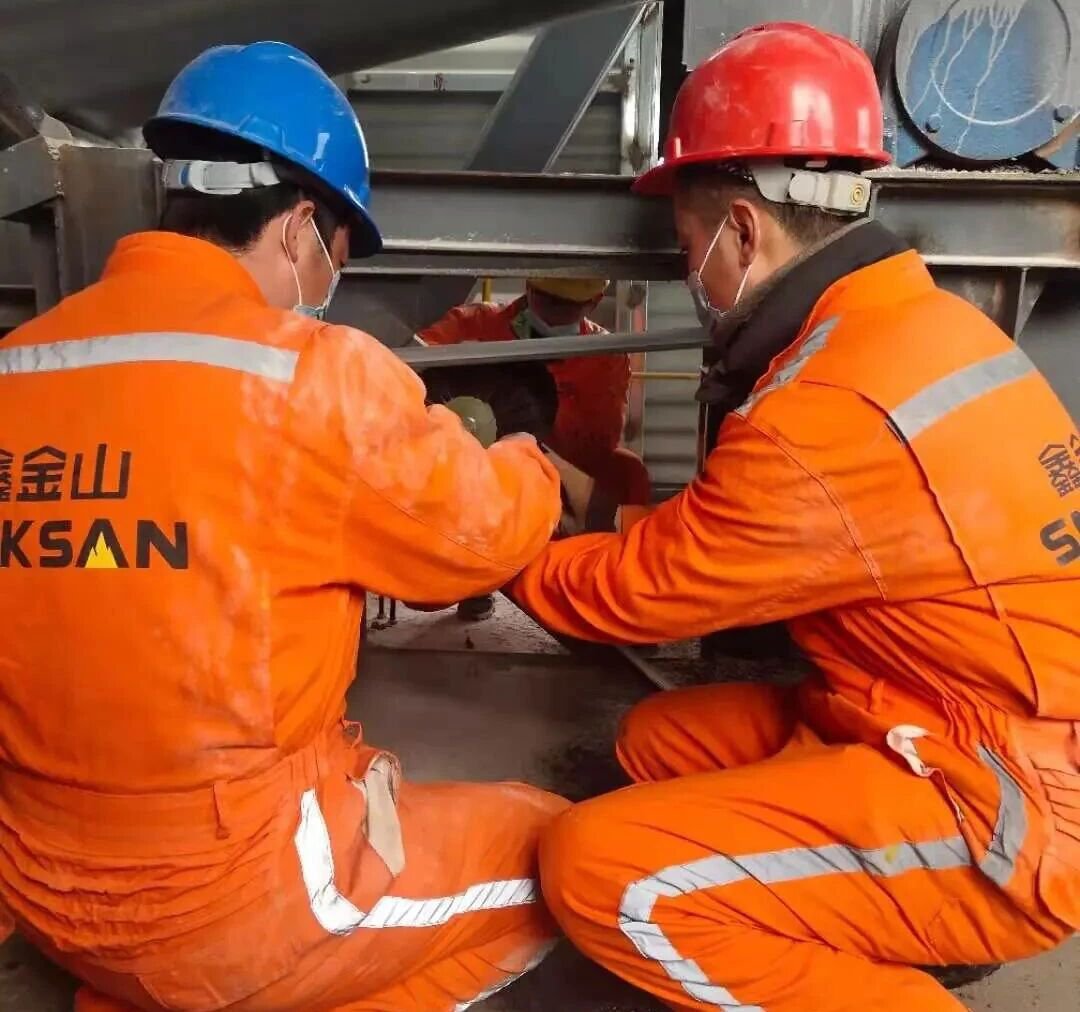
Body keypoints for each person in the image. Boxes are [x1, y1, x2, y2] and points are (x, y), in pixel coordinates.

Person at [512, 21, 1080, 1012]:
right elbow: (725, 536)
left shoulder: (824, 407)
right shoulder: (920, 326)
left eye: (686, 247)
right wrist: (597, 501)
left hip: (1008, 804)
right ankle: (845, 928)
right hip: (931, 708)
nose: (691, 273)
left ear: (740, 230)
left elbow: (636, 596)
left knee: (596, 869)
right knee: (654, 742)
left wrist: (493, 534)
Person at [0, 42, 567, 1012]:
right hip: (238, 901)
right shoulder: (310, 373)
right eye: (338, 252)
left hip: (45, 890)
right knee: (566, 856)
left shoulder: (18, 364)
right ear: (303, 225)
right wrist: (530, 460)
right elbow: (483, 537)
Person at [421, 277, 651, 620]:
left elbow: (601, 438)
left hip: (552, 462)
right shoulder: (473, 325)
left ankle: (619, 586)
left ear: (593, 302)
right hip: (466, 467)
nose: (554, 313)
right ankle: (475, 579)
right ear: (528, 288)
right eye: (546, 298)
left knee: (629, 473)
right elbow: (407, 364)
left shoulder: (605, 356)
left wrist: (535, 423)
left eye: (567, 305)